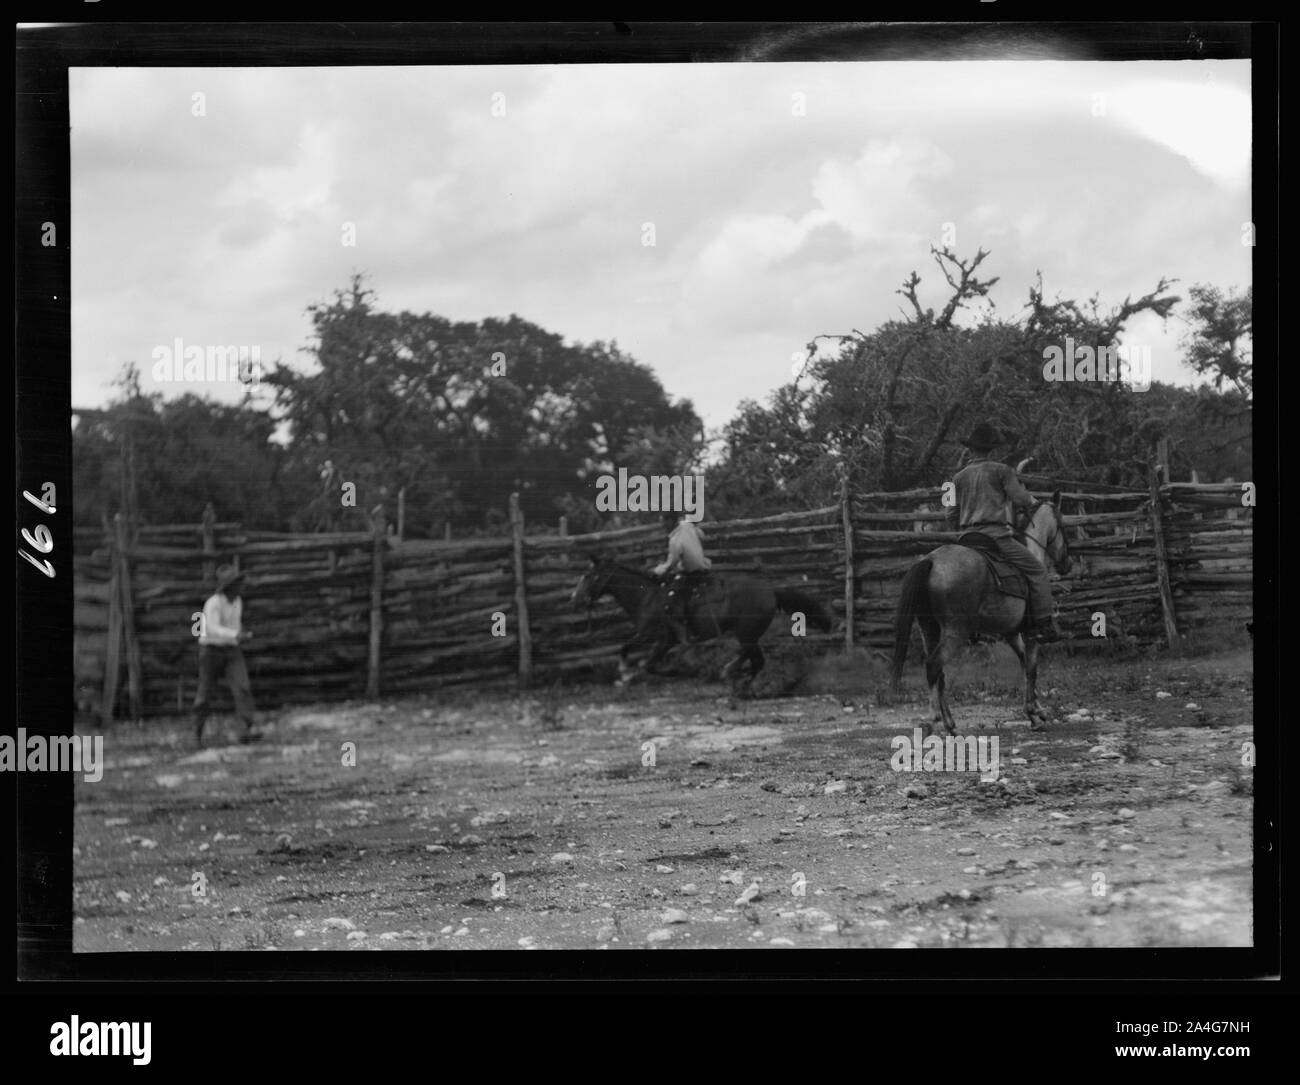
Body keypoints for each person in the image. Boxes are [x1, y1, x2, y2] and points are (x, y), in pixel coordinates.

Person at [945, 423, 1063, 641]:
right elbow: (1021, 499)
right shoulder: (1002, 471)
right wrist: (1037, 502)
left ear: (971, 449)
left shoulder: (957, 478)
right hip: (996, 537)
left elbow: (950, 514)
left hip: (967, 539)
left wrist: (962, 527)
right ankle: (1044, 623)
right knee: (1037, 571)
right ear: (991, 449)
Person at [193, 564, 260, 745]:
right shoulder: (213, 603)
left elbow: (234, 626)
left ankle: (246, 729)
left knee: (242, 686)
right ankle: (198, 733)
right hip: (211, 650)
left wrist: (242, 633)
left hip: (231, 649)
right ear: (229, 587)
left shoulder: (238, 602)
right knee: (205, 693)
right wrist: (235, 635)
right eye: (237, 583)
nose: (241, 587)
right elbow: (212, 628)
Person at [652, 511, 711, 641]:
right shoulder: (687, 525)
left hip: (692, 574)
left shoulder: (674, 541)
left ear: (671, 521)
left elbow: (671, 563)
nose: (663, 525)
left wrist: (656, 571)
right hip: (704, 568)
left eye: (664, 521)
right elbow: (701, 534)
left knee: (672, 600)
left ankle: (686, 631)